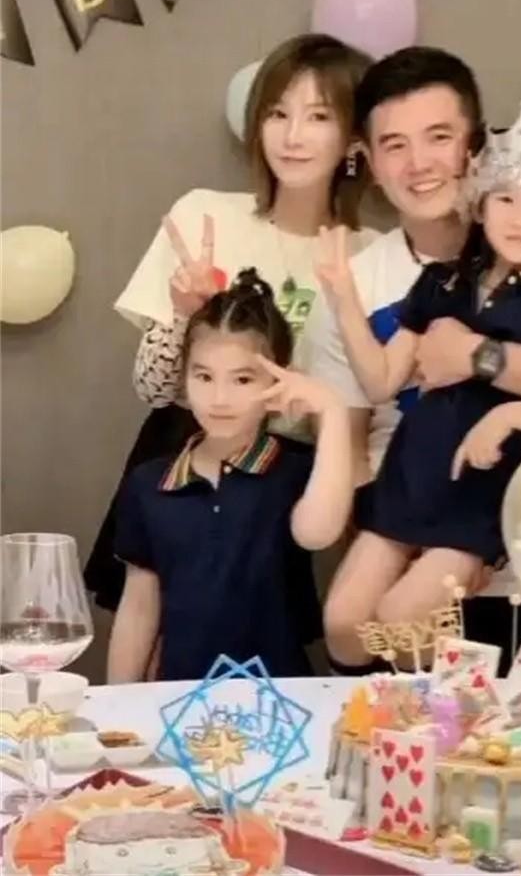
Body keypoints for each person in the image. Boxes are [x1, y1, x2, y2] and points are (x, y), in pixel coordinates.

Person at [305, 48, 521, 679]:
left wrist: (479, 358)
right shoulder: (392, 280)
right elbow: (350, 445)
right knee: (358, 634)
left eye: (439, 136)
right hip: (409, 523)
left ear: (475, 147)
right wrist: (396, 549)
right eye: (395, 144)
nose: (419, 163)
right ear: (369, 160)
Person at [86, 33, 377, 612]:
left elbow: (362, 416)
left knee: (263, 648)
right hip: (185, 458)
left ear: (352, 138)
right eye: (277, 113)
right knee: (154, 639)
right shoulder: (204, 214)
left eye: (318, 116)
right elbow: (153, 389)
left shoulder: (372, 255)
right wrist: (183, 316)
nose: (292, 136)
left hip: (286, 484)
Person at [107, 269, 352, 682]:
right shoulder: (150, 483)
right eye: (203, 376)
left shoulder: (294, 470)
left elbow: (318, 533)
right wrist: (119, 702)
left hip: (279, 698)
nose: (219, 398)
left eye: (242, 379)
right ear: (184, 377)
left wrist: (333, 411)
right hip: (178, 696)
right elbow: (138, 608)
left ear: (281, 378)